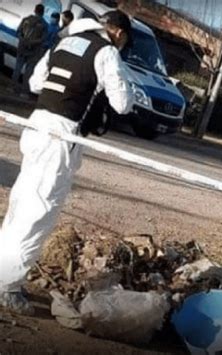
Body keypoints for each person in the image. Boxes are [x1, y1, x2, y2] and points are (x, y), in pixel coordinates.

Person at [0, 10, 134, 315]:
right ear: (119, 33)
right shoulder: (107, 51)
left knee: (21, 203)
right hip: (60, 136)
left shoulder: (64, 43)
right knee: (39, 213)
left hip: (36, 126)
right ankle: (7, 286)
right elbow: (122, 104)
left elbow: (36, 83)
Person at [11, 4, 48, 96]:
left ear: (35, 10)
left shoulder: (26, 19)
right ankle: (24, 92)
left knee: (17, 69)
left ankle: (12, 88)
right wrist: (33, 42)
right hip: (33, 51)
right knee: (28, 72)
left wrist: (23, 40)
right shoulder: (44, 25)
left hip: (22, 48)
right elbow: (43, 39)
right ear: (43, 12)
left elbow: (18, 32)